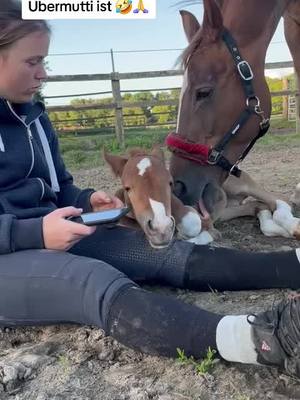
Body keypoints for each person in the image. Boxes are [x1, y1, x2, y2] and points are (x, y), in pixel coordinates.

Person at [1, 0, 300, 380]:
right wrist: (35, 232)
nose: (43, 74)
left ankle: (295, 264)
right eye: (32, 62)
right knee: (93, 282)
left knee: (167, 254)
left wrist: (85, 200)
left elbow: (59, 188)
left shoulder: (34, 118)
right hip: (9, 250)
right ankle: (265, 339)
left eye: (44, 61)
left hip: (48, 229)